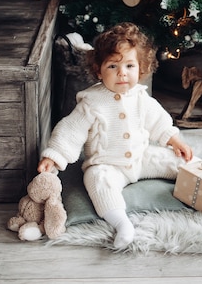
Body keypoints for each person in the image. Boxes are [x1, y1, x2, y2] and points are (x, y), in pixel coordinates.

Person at [38, 22, 193, 249]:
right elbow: (71, 129)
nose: (122, 73)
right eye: (112, 66)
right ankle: (122, 223)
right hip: (108, 164)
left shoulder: (141, 97)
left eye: (129, 65)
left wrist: (174, 139)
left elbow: (159, 120)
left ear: (140, 69)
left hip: (141, 158)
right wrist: (54, 155)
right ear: (99, 71)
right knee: (97, 181)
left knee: (176, 159)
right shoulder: (91, 102)